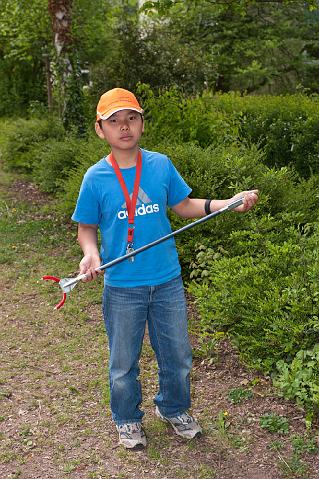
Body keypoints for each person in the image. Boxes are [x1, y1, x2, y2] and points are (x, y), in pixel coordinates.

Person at [72, 88, 258, 450]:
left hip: (167, 281)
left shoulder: (159, 164)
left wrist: (228, 204)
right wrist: (91, 254)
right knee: (123, 363)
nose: (124, 127)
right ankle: (127, 419)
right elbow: (86, 229)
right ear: (101, 130)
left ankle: (173, 408)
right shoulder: (95, 177)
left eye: (131, 118)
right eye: (114, 121)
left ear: (141, 123)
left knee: (178, 357)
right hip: (123, 286)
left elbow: (185, 205)